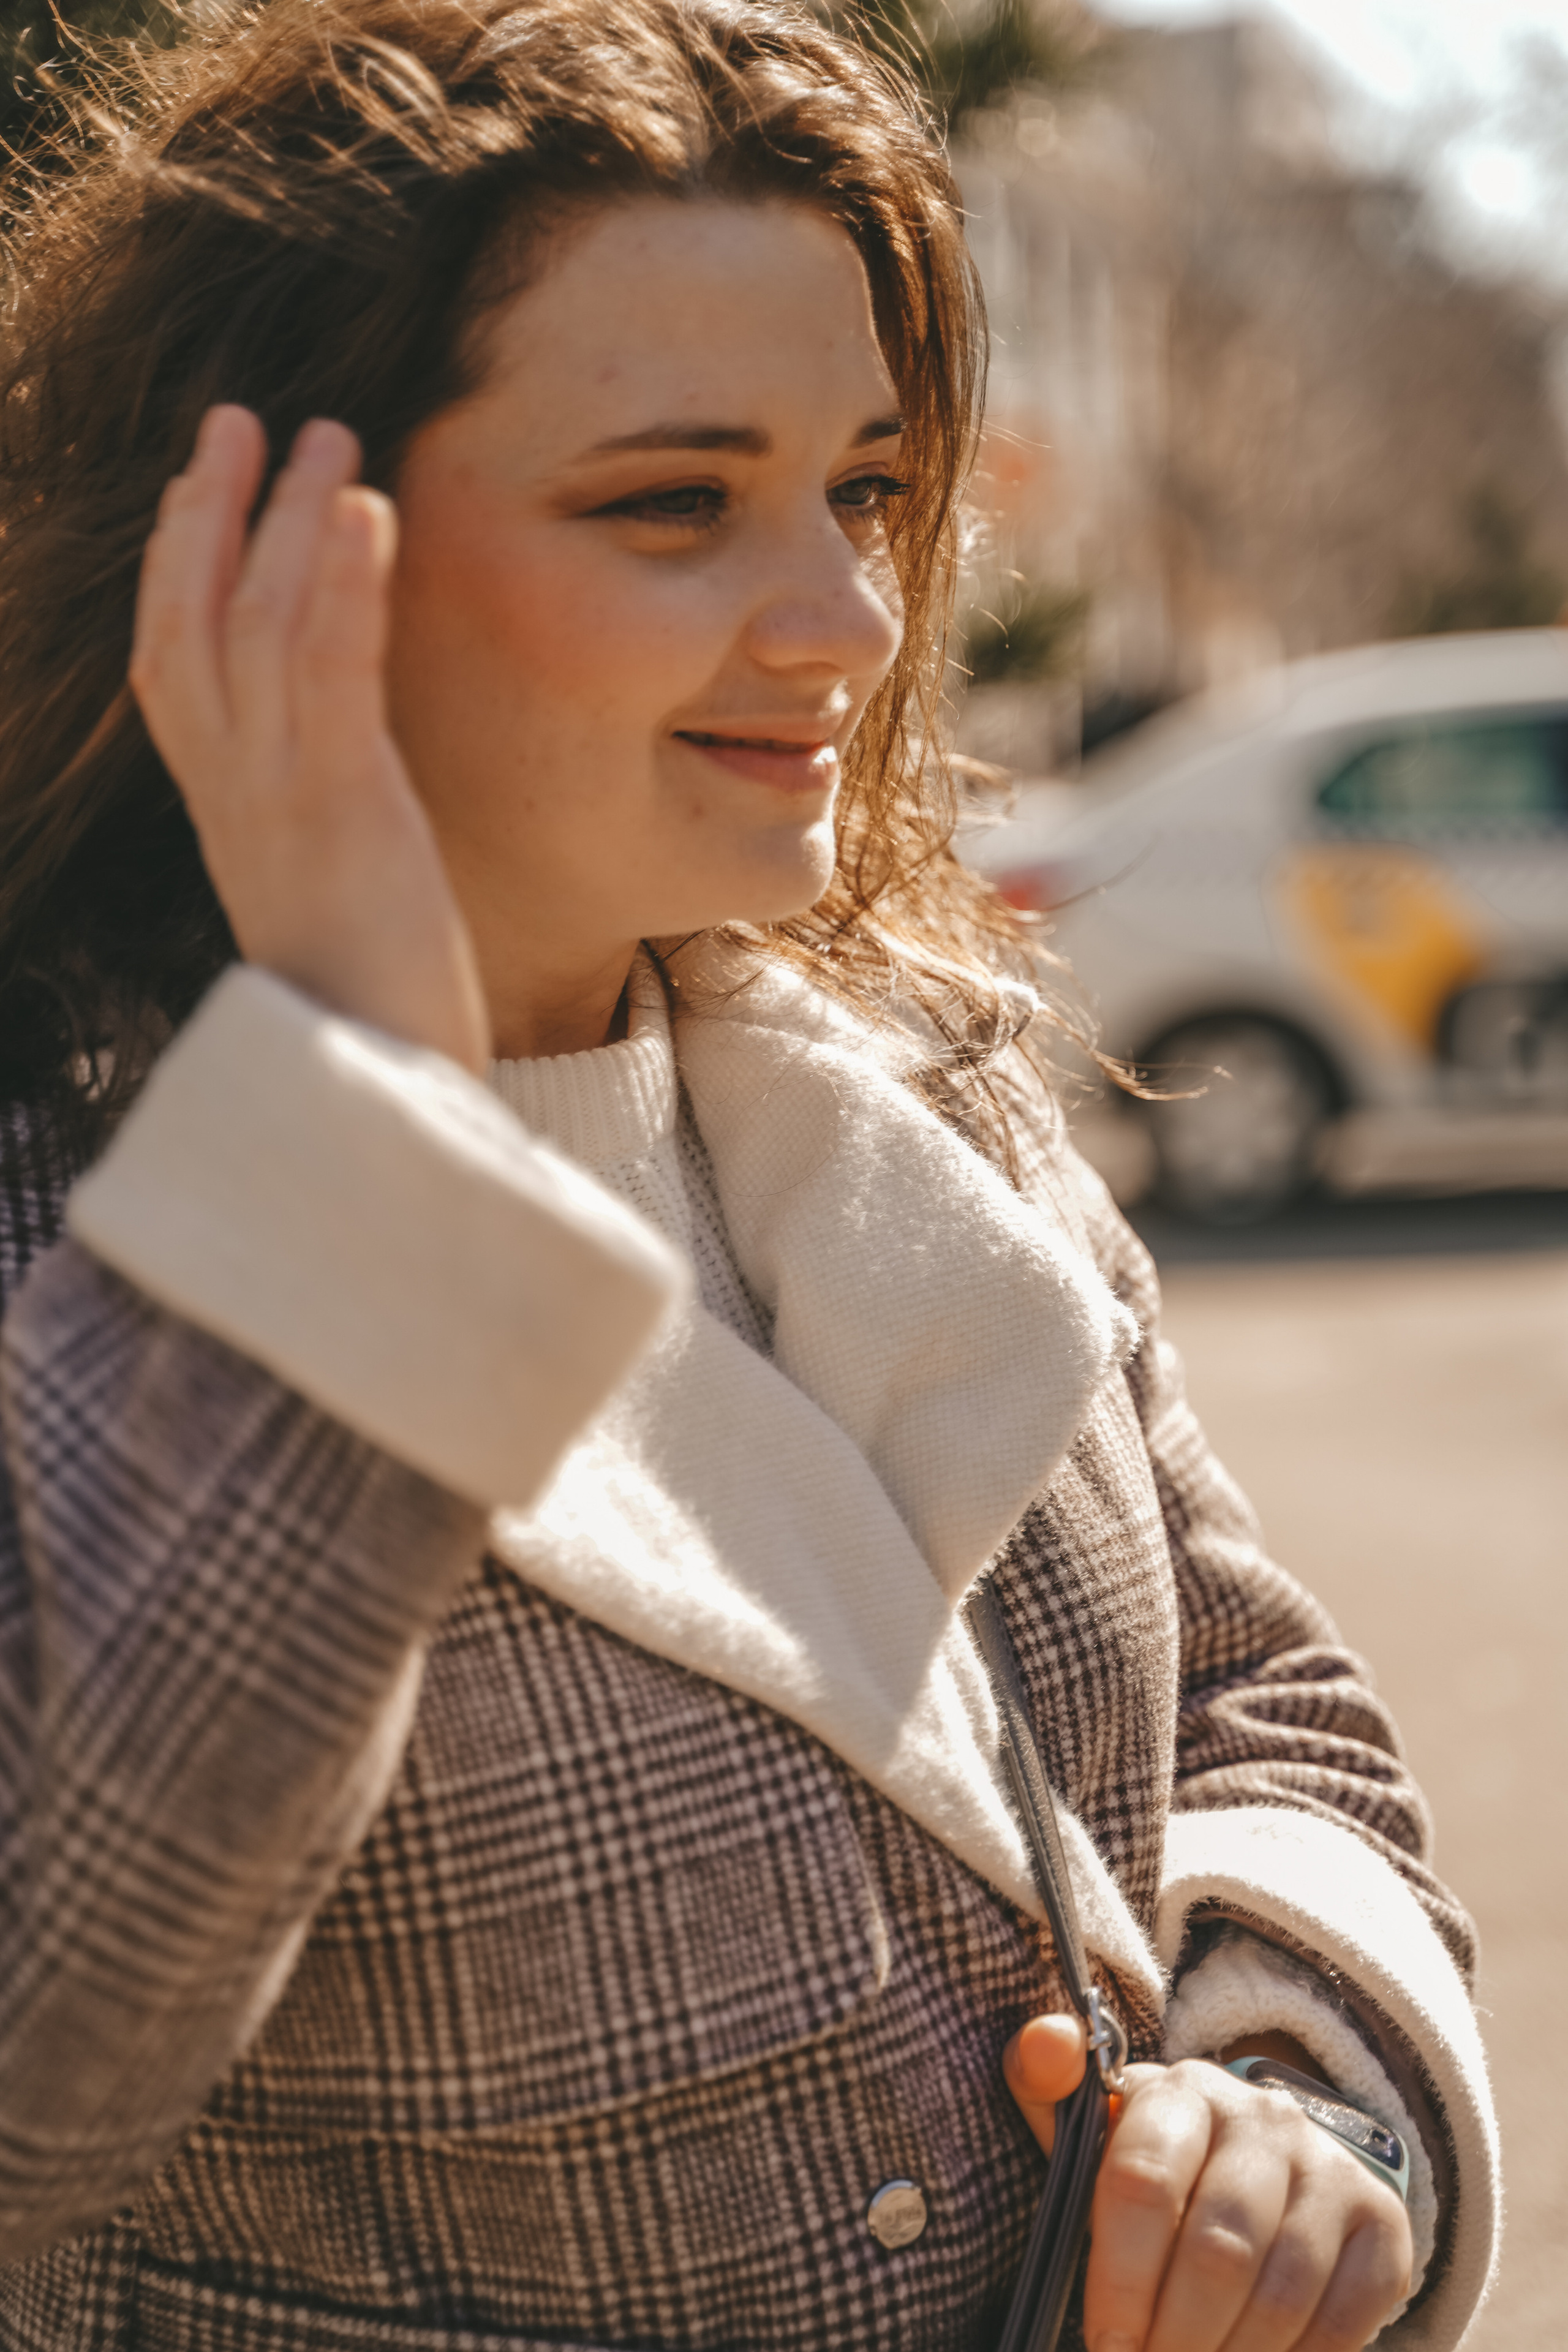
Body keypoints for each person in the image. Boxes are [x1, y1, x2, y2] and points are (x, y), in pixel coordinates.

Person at [0, 1, 1498, 2346]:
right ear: (273, 549)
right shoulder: (61, 1215)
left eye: (869, 489)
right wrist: (355, 1091)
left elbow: (1248, 1699)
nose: (854, 621)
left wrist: (1310, 2107)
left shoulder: (922, 1065)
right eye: (674, 500)